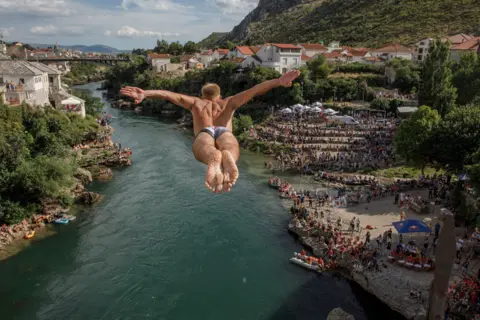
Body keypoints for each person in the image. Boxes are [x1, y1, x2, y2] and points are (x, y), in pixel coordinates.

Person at [120, 70, 301, 193]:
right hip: (224, 130)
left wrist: (146, 93)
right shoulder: (228, 102)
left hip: (205, 131)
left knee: (203, 147)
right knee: (230, 145)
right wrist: (278, 81)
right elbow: (255, 90)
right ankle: (227, 155)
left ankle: (212, 157)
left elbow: (169, 94)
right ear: (219, 95)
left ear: (202, 95)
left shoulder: (196, 103)